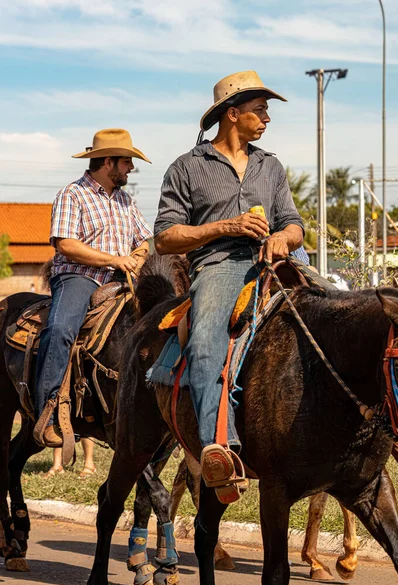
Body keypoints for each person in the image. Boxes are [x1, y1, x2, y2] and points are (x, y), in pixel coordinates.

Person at [154, 71, 304, 502]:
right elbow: (164, 237)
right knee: (205, 342)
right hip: (219, 266)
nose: (267, 118)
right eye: (260, 110)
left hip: (276, 260)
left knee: (338, 313)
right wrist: (227, 226)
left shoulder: (269, 165)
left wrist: (283, 237)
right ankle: (217, 447)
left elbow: (293, 223)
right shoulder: (187, 167)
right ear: (232, 114)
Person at [34, 128, 153, 448]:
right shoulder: (72, 194)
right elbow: (66, 244)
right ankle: (46, 408)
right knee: (60, 328)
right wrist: (115, 259)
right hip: (78, 276)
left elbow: (144, 240)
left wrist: (138, 256)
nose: (131, 168)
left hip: (119, 280)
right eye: (127, 161)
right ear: (108, 162)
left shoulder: (126, 201)